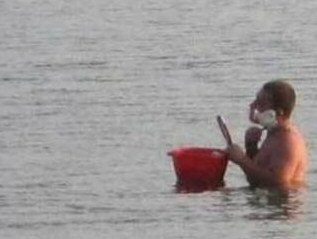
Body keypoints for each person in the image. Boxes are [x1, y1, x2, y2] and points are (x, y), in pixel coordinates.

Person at [227, 80, 308, 189]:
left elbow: (278, 183)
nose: (253, 106)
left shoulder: (288, 141)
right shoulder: (275, 134)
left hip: (282, 204)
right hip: (266, 201)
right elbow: (258, 176)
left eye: (260, 103)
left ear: (278, 112)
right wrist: (251, 147)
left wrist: (242, 160)